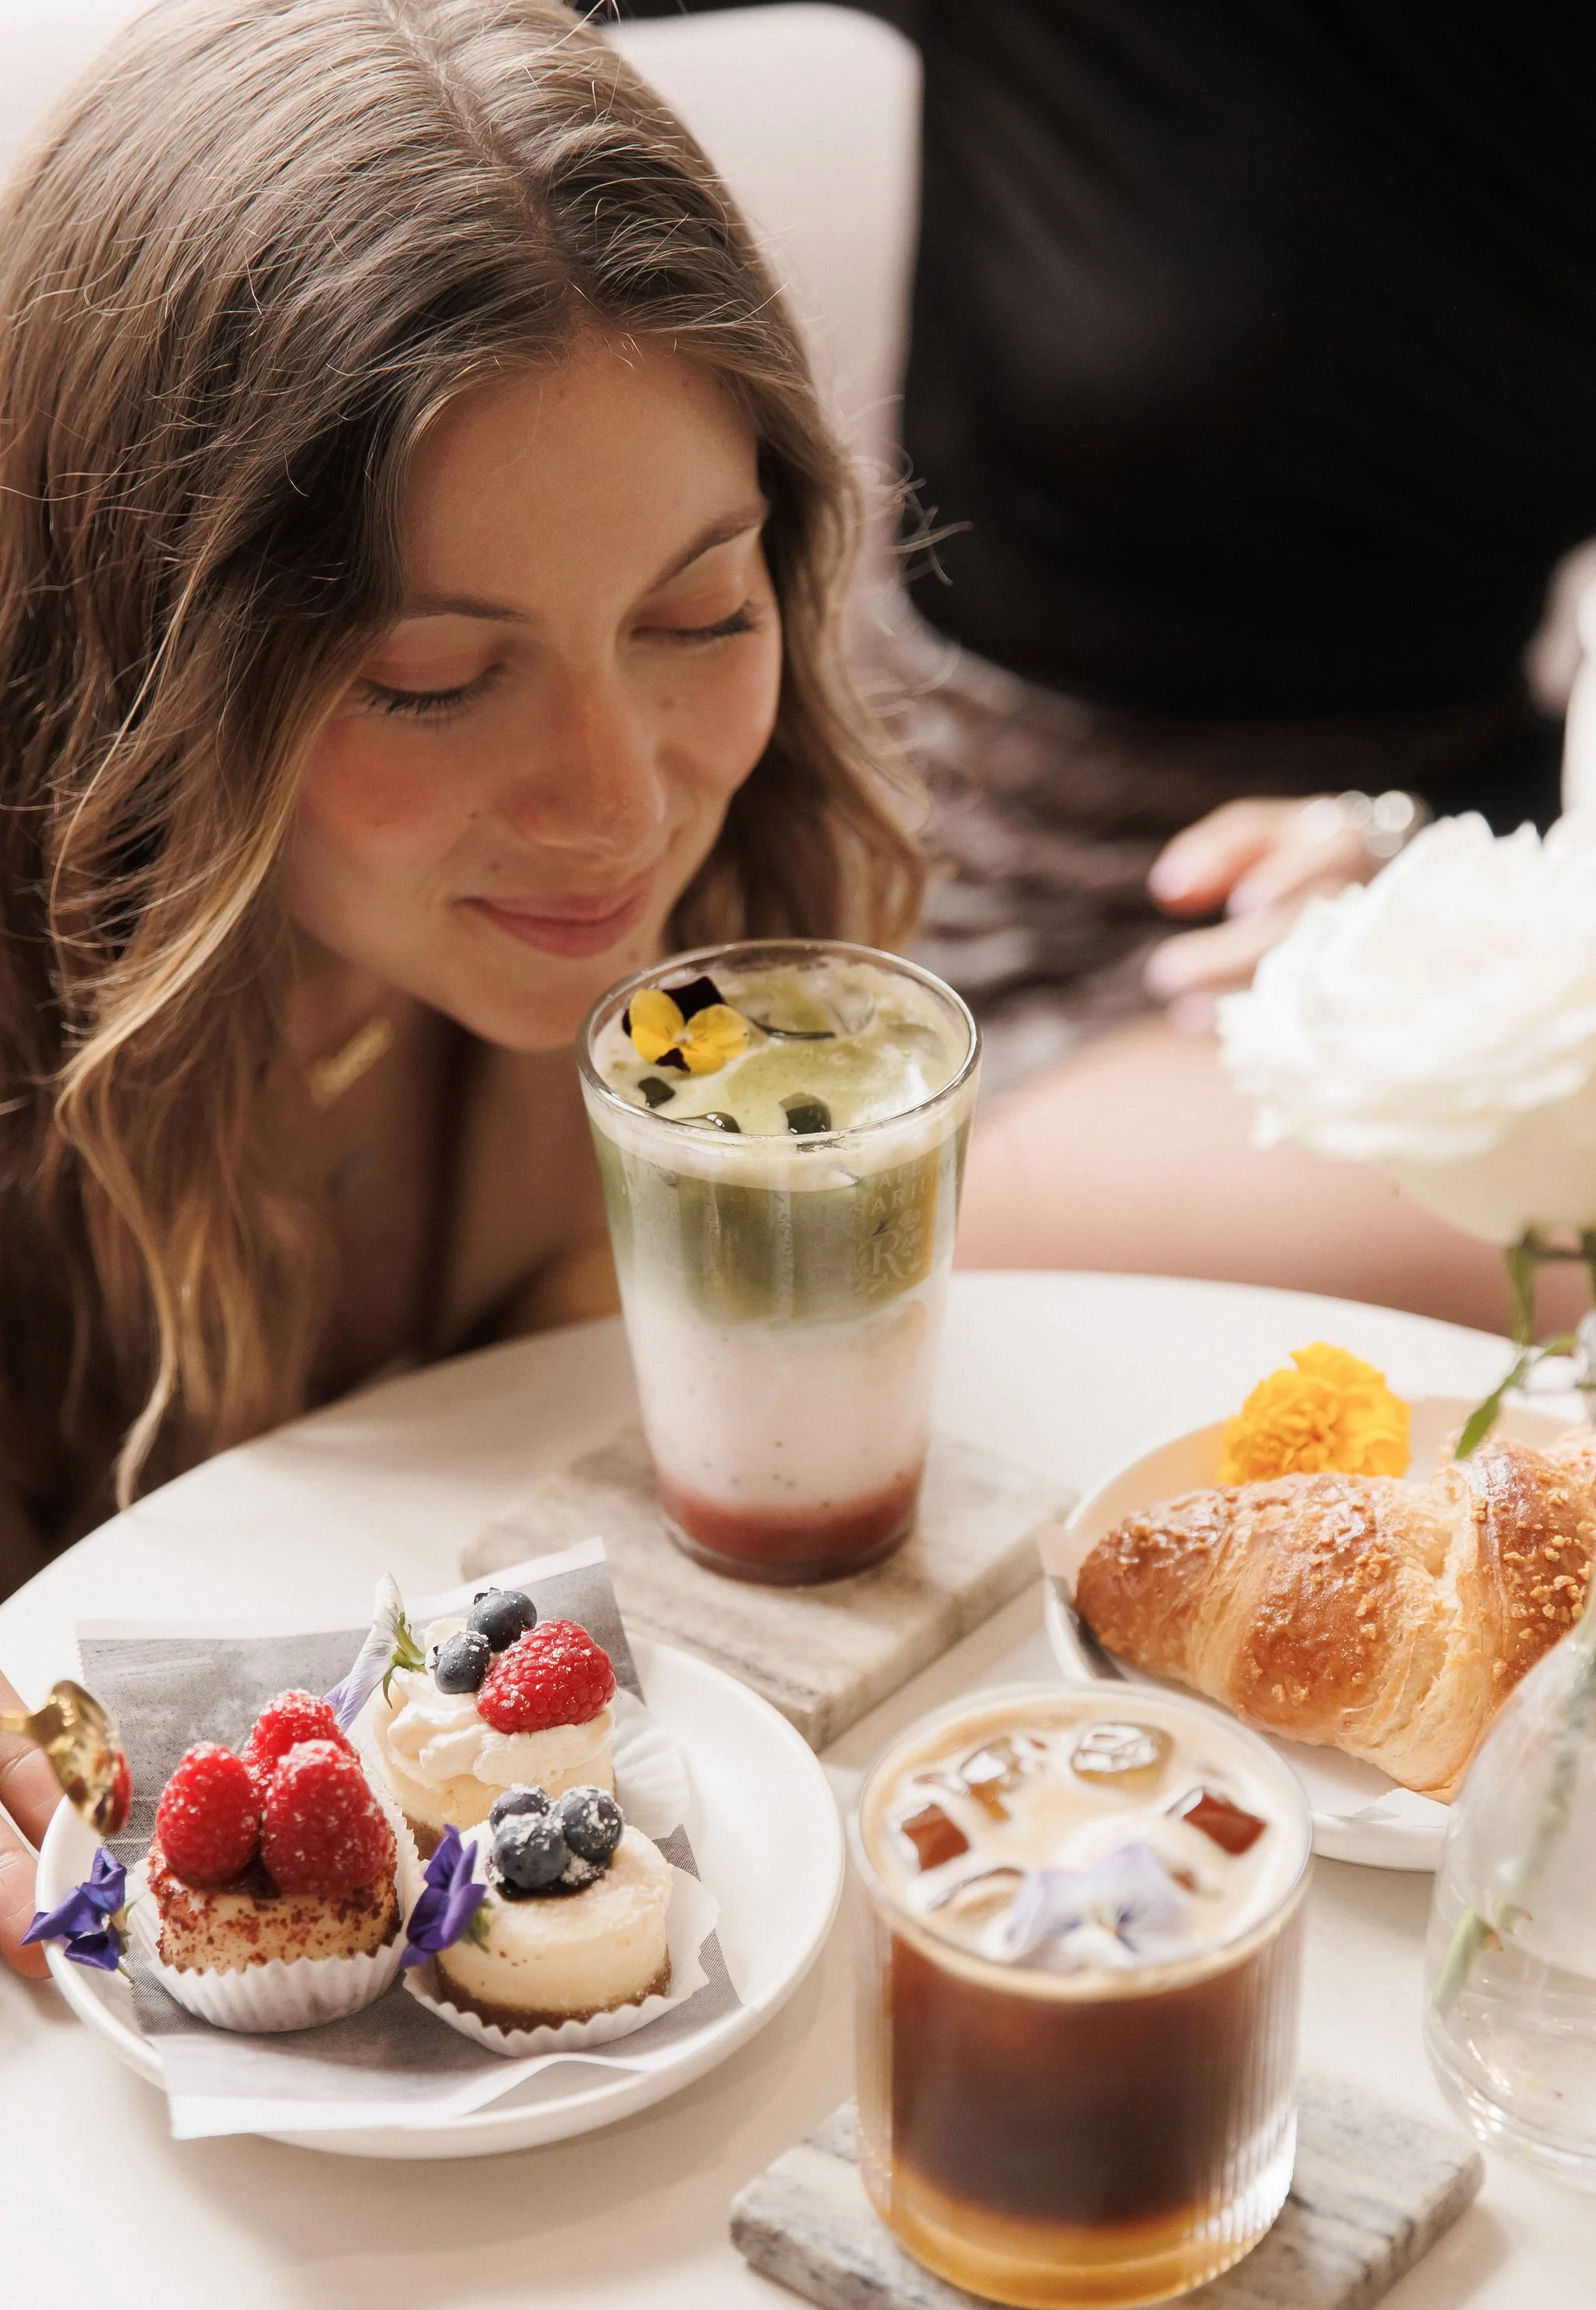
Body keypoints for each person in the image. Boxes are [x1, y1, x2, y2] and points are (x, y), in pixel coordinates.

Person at [0, 0, 921, 1957]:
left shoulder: (728, 965)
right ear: (145, 664)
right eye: (430, 679)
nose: (614, 803)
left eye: (698, 611)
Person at [621, 0, 1596, 1326]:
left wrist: (1428, 875)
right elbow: (383, 71)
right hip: (950, 885)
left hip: (1380, 914)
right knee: (737, 1278)